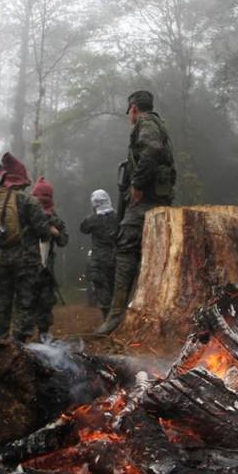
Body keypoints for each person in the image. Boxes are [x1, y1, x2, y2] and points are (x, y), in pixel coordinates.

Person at [96, 90, 176, 335]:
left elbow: (150, 150)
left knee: (126, 248)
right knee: (150, 253)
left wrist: (138, 185)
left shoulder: (146, 123)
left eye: (129, 111)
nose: (129, 116)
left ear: (133, 108)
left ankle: (116, 316)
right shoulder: (155, 123)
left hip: (147, 200)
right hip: (156, 199)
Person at [0, 153, 57, 344]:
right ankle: (19, 344)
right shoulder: (28, 201)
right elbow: (44, 232)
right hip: (26, 263)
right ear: (22, 180)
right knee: (24, 303)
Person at [30, 177, 68, 340]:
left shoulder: (54, 217)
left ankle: (43, 335)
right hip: (28, 267)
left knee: (45, 302)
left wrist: (55, 232)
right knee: (26, 303)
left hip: (46, 269)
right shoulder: (27, 213)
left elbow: (64, 240)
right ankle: (22, 337)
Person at [80, 189, 119, 321]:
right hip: (115, 258)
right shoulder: (117, 217)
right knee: (115, 288)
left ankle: (107, 320)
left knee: (103, 290)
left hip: (99, 260)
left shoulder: (93, 219)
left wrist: (94, 213)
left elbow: (83, 228)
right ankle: (117, 319)